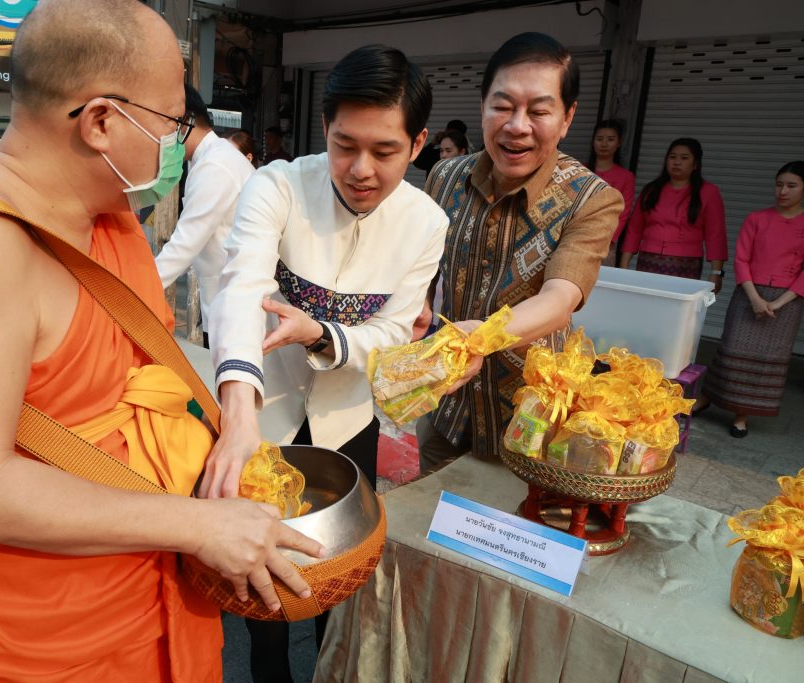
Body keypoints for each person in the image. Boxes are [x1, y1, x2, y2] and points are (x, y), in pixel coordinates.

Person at [0, 1, 320, 679]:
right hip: (45, 612)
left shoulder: (99, 212)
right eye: (172, 123)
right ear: (102, 121)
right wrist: (196, 525)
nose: (176, 144)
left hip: (141, 563)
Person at [205, 44, 448, 682]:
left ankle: (330, 666)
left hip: (348, 421)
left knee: (336, 565)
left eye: (385, 151)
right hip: (266, 409)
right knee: (260, 572)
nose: (361, 169)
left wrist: (320, 332)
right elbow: (240, 289)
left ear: (418, 143)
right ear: (324, 128)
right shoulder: (277, 185)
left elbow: (393, 332)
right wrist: (237, 416)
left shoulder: (426, 222)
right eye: (345, 146)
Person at [417, 32, 623, 472]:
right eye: (504, 106)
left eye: (539, 111)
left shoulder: (591, 199)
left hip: (529, 427)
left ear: (566, 118)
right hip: (446, 408)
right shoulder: (443, 178)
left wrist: (481, 337)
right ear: (483, 107)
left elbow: (560, 298)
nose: (517, 125)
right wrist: (418, 303)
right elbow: (422, 268)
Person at [700, 161, 804, 438]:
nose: (783, 191)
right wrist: (755, 299)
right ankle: (708, 397)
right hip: (748, 294)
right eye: (779, 184)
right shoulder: (757, 218)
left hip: (788, 302)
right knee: (731, 349)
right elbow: (741, 259)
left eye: (791, 186)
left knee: (766, 359)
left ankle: (741, 415)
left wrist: (778, 303)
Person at [156, 84, 255, 346]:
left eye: (161, 125)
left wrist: (135, 290)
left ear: (185, 121)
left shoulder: (216, 165)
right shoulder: (207, 159)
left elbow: (185, 243)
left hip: (236, 308)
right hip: (225, 299)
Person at [620, 138, 727, 291]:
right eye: (672, 157)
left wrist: (717, 272)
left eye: (684, 158)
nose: (677, 162)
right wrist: (624, 266)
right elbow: (634, 230)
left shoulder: (709, 192)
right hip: (648, 260)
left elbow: (715, 236)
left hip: (685, 264)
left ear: (695, 164)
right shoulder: (651, 190)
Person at [589, 118, 635, 265]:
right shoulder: (580, 171)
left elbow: (623, 214)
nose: (604, 144)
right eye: (599, 139)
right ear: (593, 141)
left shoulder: (626, 177)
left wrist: (610, 239)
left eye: (610, 139)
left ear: (619, 143)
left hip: (606, 243)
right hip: (575, 237)